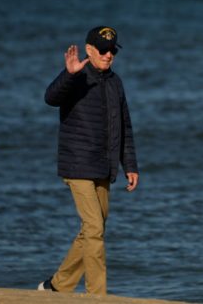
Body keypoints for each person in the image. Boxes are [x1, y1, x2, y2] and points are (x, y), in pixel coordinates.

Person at [38, 26, 139, 295]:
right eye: (103, 51)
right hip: (78, 163)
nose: (108, 55)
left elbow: (125, 126)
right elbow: (50, 98)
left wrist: (129, 164)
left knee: (93, 230)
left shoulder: (116, 82)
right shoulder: (76, 77)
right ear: (90, 50)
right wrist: (68, 74)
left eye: (112, 51)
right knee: (94, 228)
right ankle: (97, 296)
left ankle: (57, 286)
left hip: (104, 166)